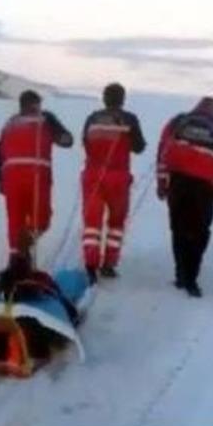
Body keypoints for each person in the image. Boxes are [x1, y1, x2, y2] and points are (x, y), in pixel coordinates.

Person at [156, 96, 213, 298]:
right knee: (200, 231)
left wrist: (161, 183)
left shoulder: (178, 121)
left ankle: (180, 274)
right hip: (204, 186)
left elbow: (162, 151)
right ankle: (191, 278)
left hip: (178, 182)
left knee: (178, 229)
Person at [0, 90, 72, 262]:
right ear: (35, 104)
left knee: (15, 219)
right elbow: (67, 140)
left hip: (11, 177)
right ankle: (24, 246)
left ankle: (17, 257)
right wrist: (60, 135)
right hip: (36, 176)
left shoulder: (10, 124)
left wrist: (0, 180)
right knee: (41, 218)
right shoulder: (45, 119)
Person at [80, 83, 146, 283]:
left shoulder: (92, 118)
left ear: (104, 98)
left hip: (93, 175)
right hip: (118, 177)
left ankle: (90, 264)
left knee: (92, 223)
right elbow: (139, 147)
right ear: (122, 99)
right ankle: (109, 264)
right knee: (116, 223)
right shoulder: (129, 119)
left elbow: (85, 142)